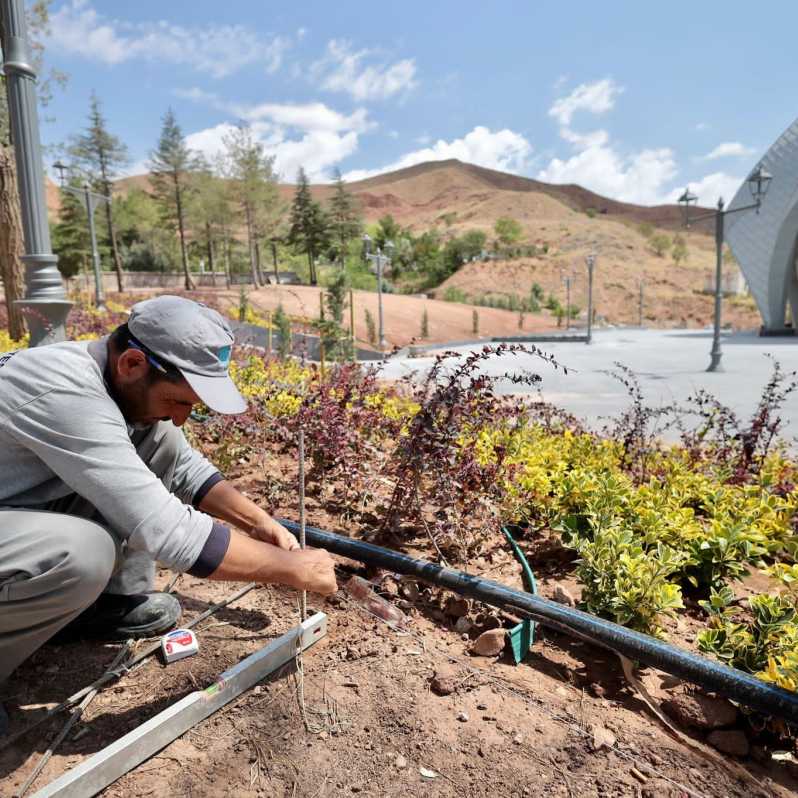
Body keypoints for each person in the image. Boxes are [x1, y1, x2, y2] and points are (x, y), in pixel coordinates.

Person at [0, 295, 337, 734]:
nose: (181, 419)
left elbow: (176, 462)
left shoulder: (109, 371)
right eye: (180, 401)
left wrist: (256, 521)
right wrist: (289, 568)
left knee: (151, 434)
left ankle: (98, 605)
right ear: (133, 364)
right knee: (79, 553)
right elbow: (169, 532)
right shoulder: (66, 394)